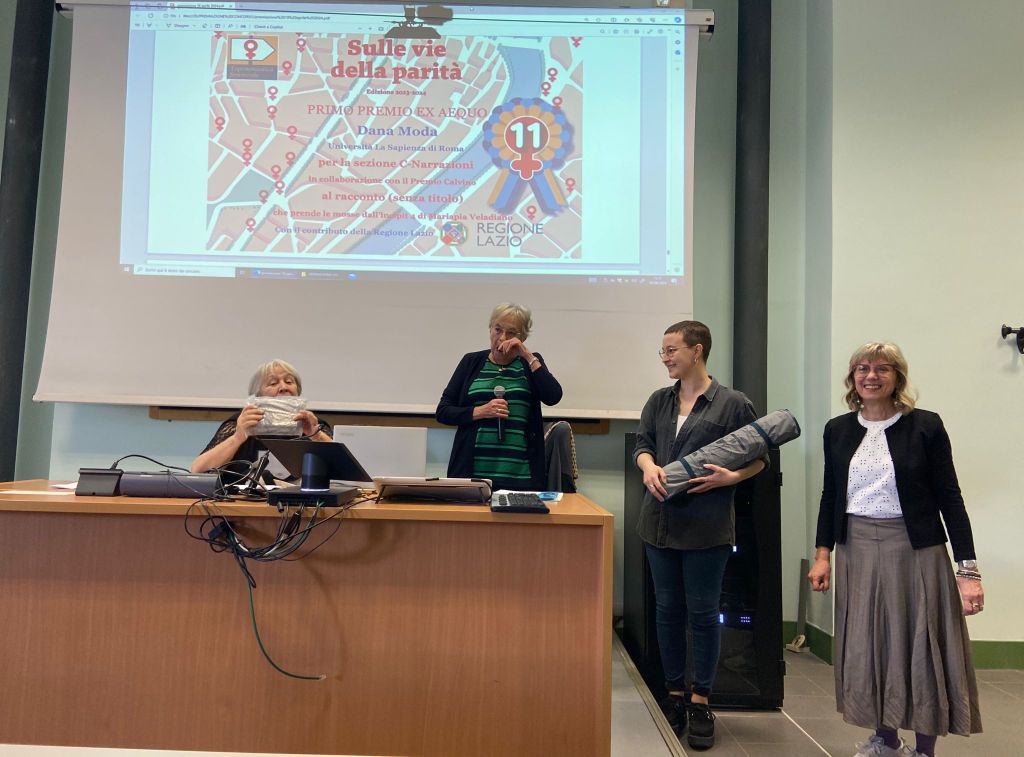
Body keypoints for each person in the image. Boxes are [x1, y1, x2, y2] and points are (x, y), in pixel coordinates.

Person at [808, 342, 983, 757]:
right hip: (856, 548)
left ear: (897, 377)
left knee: (919, 643)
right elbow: (831, 495)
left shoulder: (925, 426)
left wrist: (968, 572)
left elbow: (950, 497)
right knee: (871, 644)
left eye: (882, 369)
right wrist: (822, 554)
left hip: (914, 548)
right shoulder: (838, 429)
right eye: (863, 368)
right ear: (852, 378)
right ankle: (885, 741)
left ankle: (924, 749)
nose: (871, 376)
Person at [634, 320, 766, 750]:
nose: (666, 358)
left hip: (707, 527)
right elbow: (642, 445)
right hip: (657, 523)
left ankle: (700, 701)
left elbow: (760, 457)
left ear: (697, 350)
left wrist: (733, 477)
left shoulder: (733, 403)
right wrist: (648, 466)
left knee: (704, 615)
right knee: (667, 611)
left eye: (671, 350)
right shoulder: (659, 400)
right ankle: (674, 694)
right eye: (663, 351)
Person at [436, 303, 562, 491]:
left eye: (511, 333)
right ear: (490, 329)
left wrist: (528, 356)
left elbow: (553, 396)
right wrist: (480, 411)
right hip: (471, 476)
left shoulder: (529, 363)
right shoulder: (471, 362)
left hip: (521, 475)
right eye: (498, 329)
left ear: (522, 338)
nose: (502, 338)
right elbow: (443, 411)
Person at [191, 359, 331, 476]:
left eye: (289, 382)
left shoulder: (313, 425)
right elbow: (198, 469)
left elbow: (342, 469)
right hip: (243, 499)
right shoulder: (240, 424)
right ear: (258, 395)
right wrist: (237, 438)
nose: (283, 387)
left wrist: (316, 436)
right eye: (273, 383)